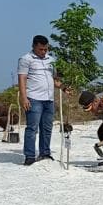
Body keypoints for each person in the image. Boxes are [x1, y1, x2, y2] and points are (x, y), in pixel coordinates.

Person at [18, 35, 70, 166]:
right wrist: (24, 98)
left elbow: (54, 79)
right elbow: (22, 79)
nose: (43, 52)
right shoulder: (26, 59)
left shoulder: (51, 60)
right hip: (34, 98)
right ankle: (29, 156)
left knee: (47, 128)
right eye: (41, 49)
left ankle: (45, 153)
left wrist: (64, 88)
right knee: (32, 128)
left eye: (45, 49)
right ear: (34, 46)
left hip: (49, 99)